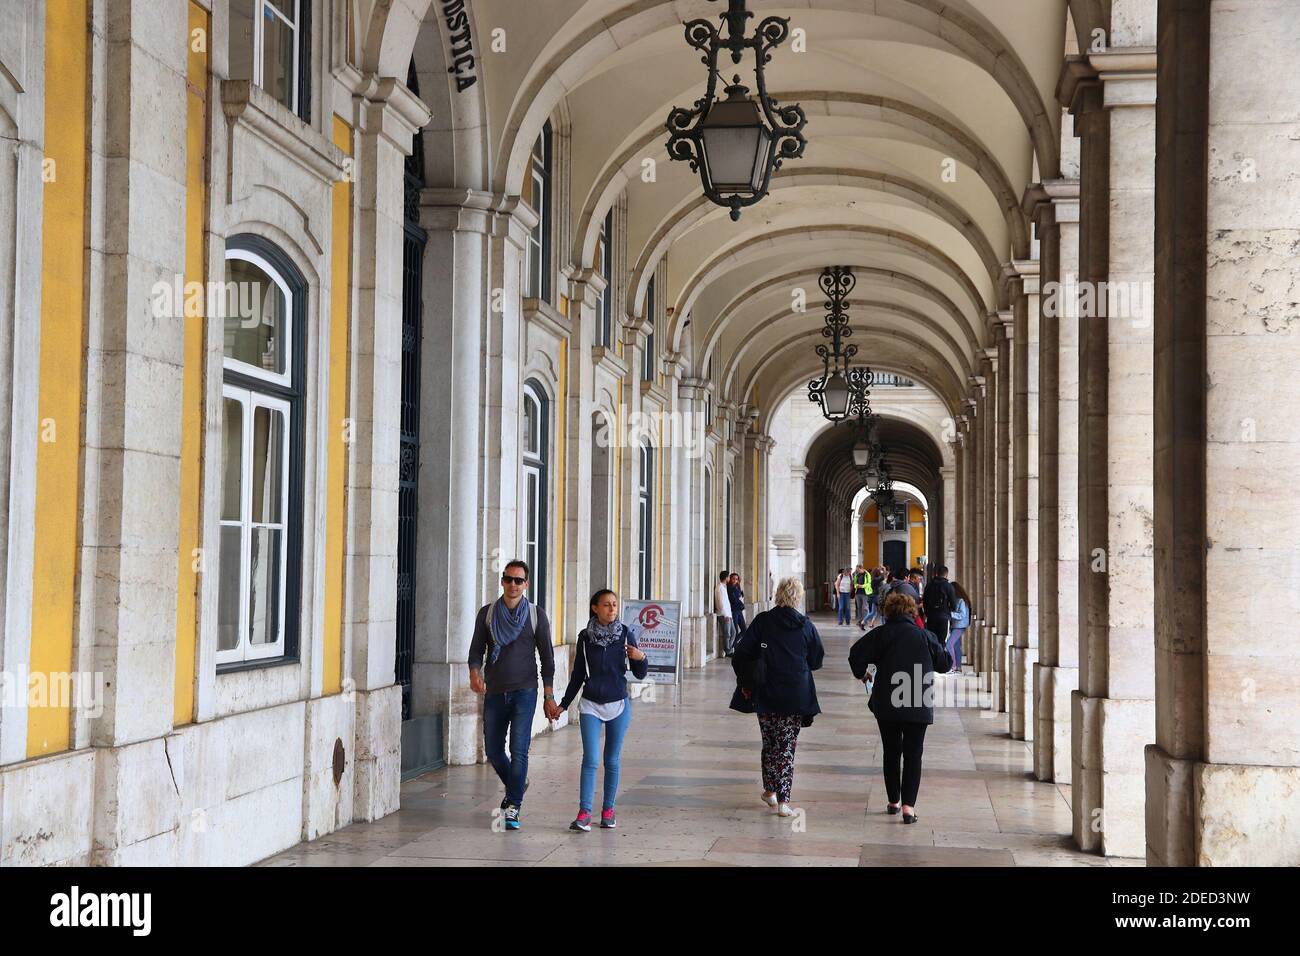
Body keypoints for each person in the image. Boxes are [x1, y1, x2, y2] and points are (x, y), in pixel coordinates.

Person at [467, 560, 556, 831]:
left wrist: (548, 695)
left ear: (526, 584)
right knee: (493, 750)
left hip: (525, 692)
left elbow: (547, 658)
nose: (513, 585)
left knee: (519, 751)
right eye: (509, 579)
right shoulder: (487, 614)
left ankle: (513, 804)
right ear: (502, 581)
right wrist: (474, 673)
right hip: (494, 692)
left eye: (519, 580)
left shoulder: (535, 615)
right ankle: (518, 783)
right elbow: (475, 651)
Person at [848, 592, 952, 824]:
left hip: (887, 702)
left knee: (891, 751)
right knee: (914, 755)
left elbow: (855, 655)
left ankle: (893, 801)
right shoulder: (925, 636)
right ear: (912, 612)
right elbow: (945, 664)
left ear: (889, 612)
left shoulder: (880, 634)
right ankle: (908, 807)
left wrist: (862, 674)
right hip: (917, 699)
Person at [730, 577, 824, 817]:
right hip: (795, 694)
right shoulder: (805, 625)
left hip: (766, 692)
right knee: (786, 747)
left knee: (770, 742)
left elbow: (740, 652)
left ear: (778, 594)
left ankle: (771, 790)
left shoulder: (763, 621)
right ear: (798, 597)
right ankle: (783, 799)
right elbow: (816, 659)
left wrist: (746, 680)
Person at [558, 589, 649, 832]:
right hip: (590, 705)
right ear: (595, 608)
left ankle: (608, 810)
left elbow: (640, 673)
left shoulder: (626, 635)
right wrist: (563, 704)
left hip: (618, 704)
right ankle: (584, 813)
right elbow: (578, 674)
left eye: (614, 605)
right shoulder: (585, 638)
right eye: (606, 605)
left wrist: (641, 657)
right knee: (590, 759)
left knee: (611, 760)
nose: (612, 609)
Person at [921, 565, 958, 649]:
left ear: (936, 574)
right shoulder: (948, 586)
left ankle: (933, 660)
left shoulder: (929, 586)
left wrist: (927, 613)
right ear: (946, 575)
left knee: (932, 640)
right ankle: (940, 659)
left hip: (931, 617)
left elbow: (925, 601)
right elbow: (954, 605)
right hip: (944, 617)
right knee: (942, 641)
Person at [948, 581, 973, 674]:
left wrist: (950, 614)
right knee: (956, 646)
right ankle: (958, 667)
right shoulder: (957, 599)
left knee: (949, 644)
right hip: (956, 625)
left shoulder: (961, 600)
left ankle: (953, 666)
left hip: (959, 626)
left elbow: (962, 615)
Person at [715, 570, 735, 658]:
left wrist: (729, 615)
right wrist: (725, 615)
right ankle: (728, 651)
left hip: (728, 615)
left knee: (733, 632)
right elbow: (720, 603)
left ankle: (728, 649)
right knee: (727, 634)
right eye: (729, 577)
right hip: (723, 615)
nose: (729, 578)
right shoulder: (719, 587)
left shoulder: (724, 587)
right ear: (726, 577)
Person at [853, 564, 873, 629]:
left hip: (865, 593)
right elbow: (854, 583)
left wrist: (862, 586)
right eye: (857, 570)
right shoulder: (856, 575)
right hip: (858, 593)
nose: (857, 571)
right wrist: (856, 585)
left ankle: (865, 620)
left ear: (861, 568)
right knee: (859, 608)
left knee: (865, 607)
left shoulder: (867, 574)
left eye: (858, 569)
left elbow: (869, 583)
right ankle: (859, 621)